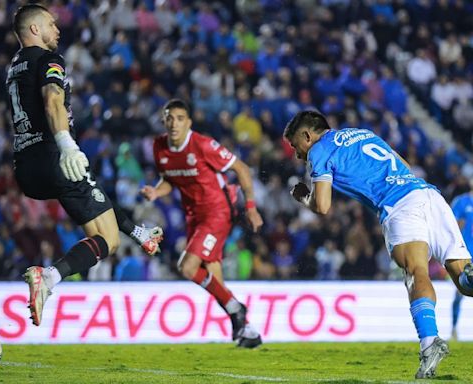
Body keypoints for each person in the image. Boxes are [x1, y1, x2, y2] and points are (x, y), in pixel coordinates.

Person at [284, 110, 473, 379]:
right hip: (429, 195)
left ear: (307, 135)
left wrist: (304, 197)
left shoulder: (318, 152)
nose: (297, 154)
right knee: (465, 283)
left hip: (399, 204)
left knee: (415, 271)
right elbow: (404, 164)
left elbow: (323, 206)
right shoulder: (363, 133)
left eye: (295, 146)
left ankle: (430, 343)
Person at [7, 4, 163, 326]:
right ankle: (48, 277)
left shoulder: (15, 66)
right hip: (53, 154)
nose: (58, 29)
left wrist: (138, 231)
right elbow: (52, 100)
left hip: (26, 166)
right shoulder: (48, 60)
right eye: (52, 24)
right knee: (108, 240)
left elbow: (96, 195)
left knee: (90, 189)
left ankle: (137, 231)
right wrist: (66, 144)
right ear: (35, 29)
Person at [141, 99, 264, 348]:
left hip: (217, 212)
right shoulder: (159, 147)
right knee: (213, 277)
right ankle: (246, 329)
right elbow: (169, 178)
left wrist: (250, 207)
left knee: (187, 267)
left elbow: (241, 168)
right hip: (193, 216)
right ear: (163, 121)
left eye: (179, 118)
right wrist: (156, 192)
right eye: (169, 118)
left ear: (189, 123)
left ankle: (236, 309)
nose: (174, 123)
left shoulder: (203, 145)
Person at [450, 186, 473, 340]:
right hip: (465, 255)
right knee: (460, 292)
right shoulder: (461, 202)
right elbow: (452, 226)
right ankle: (454, 327)